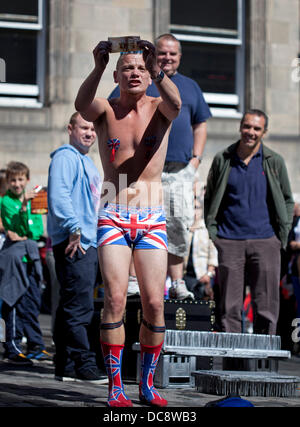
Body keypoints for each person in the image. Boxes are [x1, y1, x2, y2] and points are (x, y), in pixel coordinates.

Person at [74, 39, 181, 407]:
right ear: (117, 75)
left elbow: (178, 103)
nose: (133, 73)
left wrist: (157, 68)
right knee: (116, 299)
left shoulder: (159, 106)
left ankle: (147, 384)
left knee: (154, 303)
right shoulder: (106, 108)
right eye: (127, 69)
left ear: (148, 75)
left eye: (140, 68)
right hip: (114, 214)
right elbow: (81, 106)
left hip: (151, 217)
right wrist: (99, 65)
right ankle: (115, 386)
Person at [109, 34, 212, 300]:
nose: (167, 57)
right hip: (141, 172)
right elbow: (112, 110)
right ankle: (133, 280)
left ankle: (177, 282)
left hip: (179, 169)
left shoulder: (189, 87)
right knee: (135, 221)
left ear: (179, 56)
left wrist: (196, 161)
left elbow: (200, 124)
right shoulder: (139, 77)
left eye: (172, 54)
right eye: (162, 53)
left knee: (178, 222)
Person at [204, 109, 294, 334]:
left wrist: (279, 238)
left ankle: (264, 364)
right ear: (240, 127)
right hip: (229, 241)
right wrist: (215, 234)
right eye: (247, 126)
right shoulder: (223, 159)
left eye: (256, 128)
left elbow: (287, 201)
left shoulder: (274, 161)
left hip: (266, 241)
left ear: (264, 132)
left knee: (266, 308)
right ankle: (232, 366)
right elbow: (210, 198)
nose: (250, 132)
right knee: (229, 309)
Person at [47, 112, 106, 383]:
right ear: (70, 128)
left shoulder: (87, 162)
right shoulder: (65, 157)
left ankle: (66, 366)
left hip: (88, 240)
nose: (90, 133)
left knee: (71, 305)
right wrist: (74, 229)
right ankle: (84, 365)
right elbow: (58, 196)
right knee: (79, 306)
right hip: (76, 241)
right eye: (84, 127)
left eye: (93, 129)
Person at [0, 161, 49, 364]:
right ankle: (12, 345)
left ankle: (35, 344)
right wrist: (22, 208)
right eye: (13, 180)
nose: (17, 184)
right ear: (8, 182)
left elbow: (35, 230)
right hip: (14, 255)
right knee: (12, 299)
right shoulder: (5, 201)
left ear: (27, 180)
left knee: (31, 300)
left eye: (20, 179)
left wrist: (25, 226)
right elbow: (13, 229)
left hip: (31, 254)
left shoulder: (34, 200)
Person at [183, 183, 218, 300]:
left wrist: (208, 274)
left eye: (197, 208)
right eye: (192, 208)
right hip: (185, 277)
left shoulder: (206, 229)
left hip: (202, 277)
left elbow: (213, 254)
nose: (194, 212)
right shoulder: (184, 229)